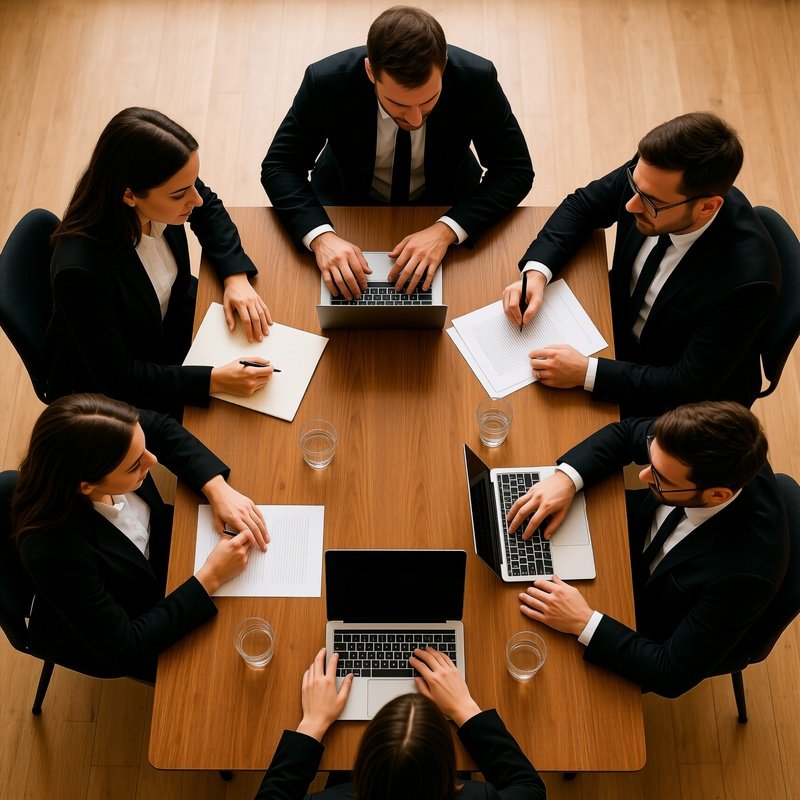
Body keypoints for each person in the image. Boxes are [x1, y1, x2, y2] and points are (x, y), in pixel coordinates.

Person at [502, 112, 780, 418]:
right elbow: (584, 205)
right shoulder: (651, 178)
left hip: (669, 389)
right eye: (634, 188)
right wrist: (538, 272)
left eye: (649, 202)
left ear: (707, 207)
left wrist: (587, 373)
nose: (630, 206)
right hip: (613, 318)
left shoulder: (748, 281)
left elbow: (688, 384)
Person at [506, 401, 789, 699]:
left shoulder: (745, 575)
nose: (642, 475)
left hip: (643, 619)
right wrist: (566, 480)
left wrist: (583, 621)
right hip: (625, 537)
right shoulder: (704, 441)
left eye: (661, 478)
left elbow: (670, 674)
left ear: (717, 495)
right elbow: (627, 434)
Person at [261, 5, 533, 301]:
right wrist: (321, 238)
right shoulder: (325, 81)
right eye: (399, 104)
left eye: (429, 100)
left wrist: (446, 229)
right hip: (344, 207)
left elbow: (514, 170)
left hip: (449, 204)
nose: (415, 120)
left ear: (443, 65)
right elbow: (281, 166)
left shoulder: (477, 79)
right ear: (370, 72)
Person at [13, 393, 269, 682]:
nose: (153, 459)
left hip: (167, 548)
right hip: (140, 610)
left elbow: (160, 427)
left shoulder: (109, 430)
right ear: (86, 486)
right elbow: (126, 648)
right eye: (135, 466)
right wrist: (210, 576)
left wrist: (215, 487)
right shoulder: (55, 554)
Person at [46, 107, 275, 417]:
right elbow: (120, 378)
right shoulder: (81, 272)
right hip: (126, 380)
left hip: (171, 319)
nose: (195, 199)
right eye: (181, 193)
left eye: (194, 183)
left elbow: (208, 209)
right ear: (130, 195)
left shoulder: (168, 181)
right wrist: (213, 380)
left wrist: (235, 276)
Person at [255, 646, 545, 799]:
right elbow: (529, 788)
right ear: (446, 761)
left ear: (364, 755)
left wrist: (313, 723)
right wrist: (464, 708)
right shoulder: (481, 797)